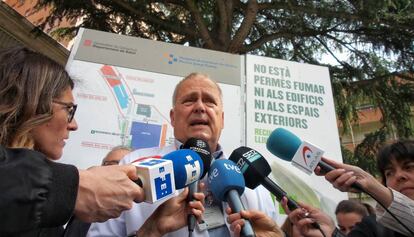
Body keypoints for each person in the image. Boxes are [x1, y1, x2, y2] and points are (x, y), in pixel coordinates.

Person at [88, 73, 277, 236]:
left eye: (209, 101)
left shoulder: (252, 179)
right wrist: (151, 231)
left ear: (222, 119)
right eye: (189, 100)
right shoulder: (133, 165)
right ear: (172, 117)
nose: (200, 107)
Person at [0, 47, 145, 236]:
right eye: (69, 110)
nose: (74, 125)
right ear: (33, 103)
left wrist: (153, 229)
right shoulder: (53, 198)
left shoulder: (46, 215)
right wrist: (72, 187)